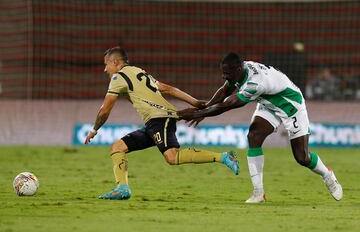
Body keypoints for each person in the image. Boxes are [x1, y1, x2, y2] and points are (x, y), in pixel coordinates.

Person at [178, 52, 343, 203]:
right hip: (269, 103)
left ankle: (327, 175)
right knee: (253, 136)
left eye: (227, 73)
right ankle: (258, 193)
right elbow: (224, 91)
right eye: (223, 72)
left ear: (238, 69)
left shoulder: (255, 83)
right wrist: (204, 108)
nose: (224, 76)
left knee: (302, 157)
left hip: (290, 106)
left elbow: (227, 105)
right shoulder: (240, 70)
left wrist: (199, 114)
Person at [84, 46, 239, 200]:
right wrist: (195, 102)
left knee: (172, 157)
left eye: (106, 64)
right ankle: (122, 188)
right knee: (117, 147)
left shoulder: (118, 78)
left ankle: (224, 157)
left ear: (115, 62)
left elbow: (105, 110)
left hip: (160, 119)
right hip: (154, 123)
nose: (105, 69)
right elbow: (168, 88)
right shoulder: (139, 71)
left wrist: (94, 130)